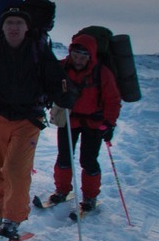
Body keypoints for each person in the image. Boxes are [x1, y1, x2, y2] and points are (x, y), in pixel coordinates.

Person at [0, 6, 69, 241]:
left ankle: (12, 220)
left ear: (27, 28)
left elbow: (54, 83)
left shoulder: (39, 51)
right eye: (9, 23)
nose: (14, 27)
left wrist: (65, 94)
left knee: (16, 170)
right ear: (3, 27)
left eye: (19, 23)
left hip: (28, 120)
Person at [44, 32, 121, 212]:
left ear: (91, 56)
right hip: (68, 120)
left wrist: (109, 124)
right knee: (64, 157)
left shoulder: (102, 73)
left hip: (95, 123)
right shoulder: (62, 67)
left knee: (88, 160)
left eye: (82, 57)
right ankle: (62, 190)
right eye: (75, 56)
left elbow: (113, 100)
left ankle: (90, 197)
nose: (78, 60)